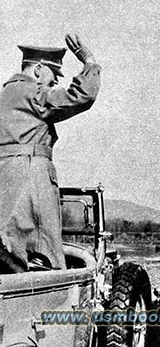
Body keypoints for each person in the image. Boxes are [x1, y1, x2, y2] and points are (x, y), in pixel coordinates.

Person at [0, 34, 101, 273]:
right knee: (42, 256)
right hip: (29, 176)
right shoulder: (31, 92)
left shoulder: (5, 96)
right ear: (37, 70)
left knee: (8, 246)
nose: (53, 84)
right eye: (52, 78)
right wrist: (90, 63)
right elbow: (81, 96)